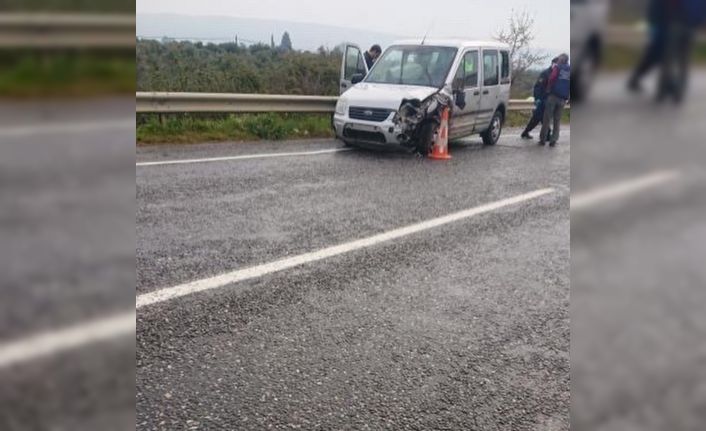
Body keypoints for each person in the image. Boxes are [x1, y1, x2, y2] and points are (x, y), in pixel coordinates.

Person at [521, 57, 557, 140]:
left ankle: (526, 132)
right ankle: (547, 135)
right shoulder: (545, 73)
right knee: (541, 117)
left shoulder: (557, 74)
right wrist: (537, 98)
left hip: (549, 99)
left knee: (538, 118)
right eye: (556, 64)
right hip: (542, 99)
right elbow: (538, 86)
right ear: (552, 63)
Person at [539, 53, 570, 147]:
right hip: (563, 98)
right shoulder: (570, 69)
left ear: (561, 60)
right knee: (557, 120)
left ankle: (543, 139)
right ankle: (554, 140)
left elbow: (552, 78)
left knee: (547, 118)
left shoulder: (557, 67)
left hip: (553, 96)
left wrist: (548, 88)